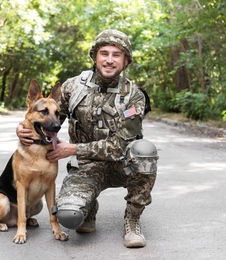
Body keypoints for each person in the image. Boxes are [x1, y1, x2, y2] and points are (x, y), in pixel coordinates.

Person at [17, 29, 158, 248]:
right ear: (94, 56)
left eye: (116, 55)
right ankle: (88, 206)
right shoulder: (72, 87)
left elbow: (119, 146)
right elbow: (50, 121)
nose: (109, 60)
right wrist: (24, 129)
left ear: (126, 61)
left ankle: (132, 220)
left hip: (122, 166)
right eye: (104, 53)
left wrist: (72, 149)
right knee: (69, 217)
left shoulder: (134, 96)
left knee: (144, 151)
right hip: (86, 167)